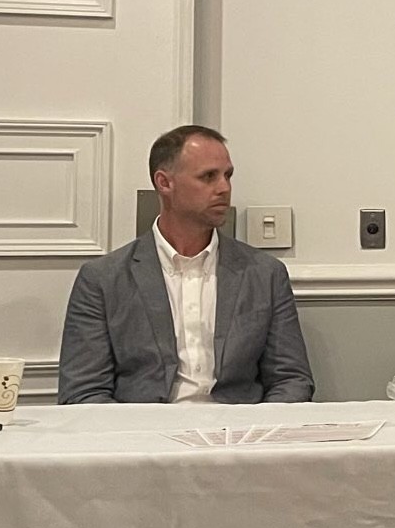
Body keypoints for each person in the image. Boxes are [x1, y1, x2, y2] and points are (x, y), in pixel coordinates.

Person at [58, 125, 314, 403]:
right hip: (146, 426)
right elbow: (84, 392)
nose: (224, 188)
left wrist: (261, 427)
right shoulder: (103, 279)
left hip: (239, 425)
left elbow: (291, 379)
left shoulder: (264, 274)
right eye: (208, 177)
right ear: (164, 183)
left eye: (228, 175)